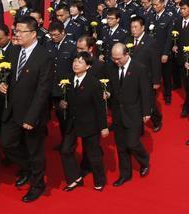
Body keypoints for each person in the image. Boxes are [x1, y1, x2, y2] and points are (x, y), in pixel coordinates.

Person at [0, 16, 53, 203]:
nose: (17, 35)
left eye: (21, 32)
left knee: (35, 151)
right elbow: (7, 75)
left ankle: (37, 185)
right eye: (16, 31)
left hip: (32, 114)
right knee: (7, 143)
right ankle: (28, 168)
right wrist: (2, 83)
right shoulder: (14, 51)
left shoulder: (44, 57)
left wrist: (31, 118)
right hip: (12, 109)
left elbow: (43, 91)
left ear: (33, 33)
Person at [59, 52, 109, 191]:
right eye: (75, 60)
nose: (76, 64)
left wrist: (103, 127)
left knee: (93, 155)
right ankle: (75, 178)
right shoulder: (68, 79)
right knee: (65, 151)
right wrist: (62, 103)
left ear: (88, 66)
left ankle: (99, 180)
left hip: (89, 123)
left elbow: (100, 107)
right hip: (72, 121)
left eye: (80, 62)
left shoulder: (93, 83)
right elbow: (65, 99)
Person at [105, 43, 151, 187]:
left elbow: (145, 92)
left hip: (134, 113)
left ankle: (144, 160)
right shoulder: (111, 68)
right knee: (121, 146)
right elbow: (112, 87)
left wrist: (146, 111)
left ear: (127, 54)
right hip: (118, 114)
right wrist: (108, 93)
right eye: (114, 58)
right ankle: (125, 174)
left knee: (132, 143)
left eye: (118, 58)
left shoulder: (139, 69)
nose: (116, 61)